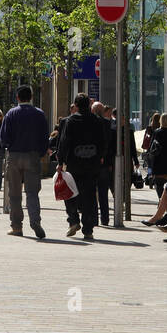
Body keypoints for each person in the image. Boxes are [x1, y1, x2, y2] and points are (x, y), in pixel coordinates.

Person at [0, 84, 49, 239]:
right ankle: (35, 221)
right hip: (32, 155)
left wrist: (8, 147)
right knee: (32, 192)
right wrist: (40, 153)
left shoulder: (11, 114)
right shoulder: (39, 114)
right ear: (32, 97)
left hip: (14, 155)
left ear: (17, 97)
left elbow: (4, 137)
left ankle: (16, 226)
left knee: (14, 193)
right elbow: (44, 137)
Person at [57, 94, 105, 241]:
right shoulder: (97, 121)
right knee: (90, 196)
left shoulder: (71, 121)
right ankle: (88, 229)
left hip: (74, 163)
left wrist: (60, 161)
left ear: (76, 106)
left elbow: (64, 142)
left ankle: (73, 219)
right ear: (89, 106)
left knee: (70, 192)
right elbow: (103, 141)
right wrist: (100, 157)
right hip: (91, 164)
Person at [91, 102, 115, 227]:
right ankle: (105, 219)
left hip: (91, 162)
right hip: (104, 162)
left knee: (91, 191)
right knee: (103, 192)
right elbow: (109, 144)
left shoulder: (89, 123)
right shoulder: (107, 123)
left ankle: (94, 219)